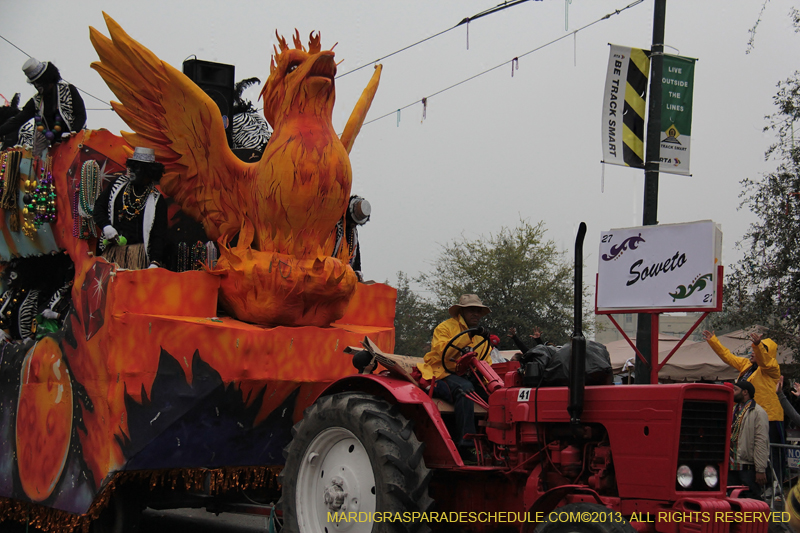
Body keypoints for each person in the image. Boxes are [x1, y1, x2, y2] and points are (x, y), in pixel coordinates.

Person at [702, 329, 784, 490]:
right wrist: (713, 341)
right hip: (746, 415)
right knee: (748, 451)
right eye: (753, 349)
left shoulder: (772, 368)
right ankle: (749, 484)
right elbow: (728, 356)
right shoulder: (746, 366)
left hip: (769, 416)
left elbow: (765, 361)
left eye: (757, 350)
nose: (752, 352)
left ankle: (775, 486)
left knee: (771, 453)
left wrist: (758, 344)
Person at [416, 294, 491, 462]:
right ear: (462, 311)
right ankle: (466, 445)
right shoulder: (444, 328)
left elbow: (486, 362)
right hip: (441, 372)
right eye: (472, 310)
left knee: (497, 397)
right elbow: (444, 353)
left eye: (478, 311)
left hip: (467, 375)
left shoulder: (481, 337)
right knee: (465, 390)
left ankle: (493, 445)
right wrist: (467, 336)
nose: (476, 314)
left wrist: (490, 385)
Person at [93, 147, 168, 270]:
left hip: (138, 258)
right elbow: (98, 207)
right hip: (111, 254)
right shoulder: (116, 186)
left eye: (136, 168)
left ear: (148, 172)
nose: (131, 171)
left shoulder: (156, 201)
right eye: (131, 167)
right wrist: (106, 226)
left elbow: (159, 235)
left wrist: (155, 262)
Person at [0, 58, 86, 155]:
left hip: (79, 144)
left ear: (48, 79)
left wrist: (73, 133)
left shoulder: (68, 90)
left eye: (39, 82)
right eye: (35, 83)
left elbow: (81, 114)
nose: (37, 86)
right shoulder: (36, 102)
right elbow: (16, 121)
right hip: (58, 151)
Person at [728, 379, 769, 499]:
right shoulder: (733, 410)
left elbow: (761, 441)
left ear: (745, 392)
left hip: (747, 467)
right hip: (731, 465)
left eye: (735, 389)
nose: (732, 392)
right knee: (732, 502)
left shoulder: (757, 412)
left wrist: (760, 469)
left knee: (751, 501)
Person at [332, 195, 370, 281]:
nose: (354, 224)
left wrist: (357, 272)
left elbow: (356, 255)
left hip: (346, 277)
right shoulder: (334, 226)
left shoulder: (354, 233)